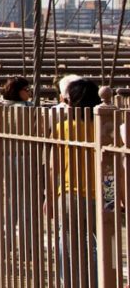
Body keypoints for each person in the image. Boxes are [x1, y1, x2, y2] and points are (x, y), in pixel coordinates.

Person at [46, 78, 111, 286]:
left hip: (69, 194)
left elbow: (52, 167)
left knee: (70, 245)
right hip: (105, 193)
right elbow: (115, 168)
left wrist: (49, 195)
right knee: (107, 244)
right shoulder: (107, 127)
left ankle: (74, 283)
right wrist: (120, 196)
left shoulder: (63, 127)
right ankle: (101, 281)